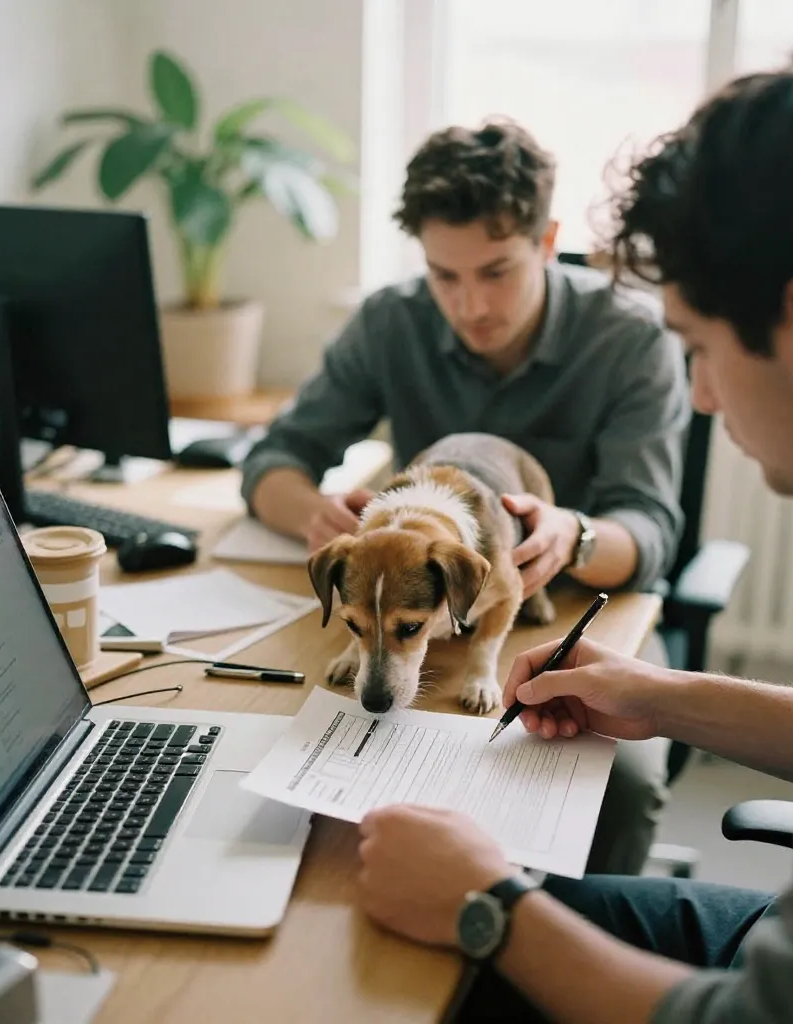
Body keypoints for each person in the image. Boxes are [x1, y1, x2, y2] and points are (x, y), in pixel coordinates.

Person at [353, 47, 793, 1024]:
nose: (694, 389)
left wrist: (490, 911)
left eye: (696, 346)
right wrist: (655, 693)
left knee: (425, 974)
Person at [241, 121, 691, 875]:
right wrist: (314, 515)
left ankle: (576, 954)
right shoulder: (392, 320)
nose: (470, 305)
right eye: (444, 276)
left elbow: (649, 532)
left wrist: (572, 535)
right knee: (283, 739)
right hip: (415, 605)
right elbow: (274, 459)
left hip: (580, 611)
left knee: (626, 781)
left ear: (546, 240)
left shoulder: (629, 340)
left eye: (497, 271)